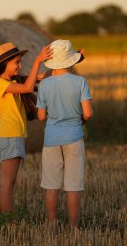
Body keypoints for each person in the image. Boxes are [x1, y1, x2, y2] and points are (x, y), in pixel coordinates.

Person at [0, 42, 52, 221]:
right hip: (9, 137)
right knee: (8, 184)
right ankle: (10, 223)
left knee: (5, 184)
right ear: (4, 64)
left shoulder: (12, 82)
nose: (19, 65)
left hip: (10, 136)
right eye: (16, 62)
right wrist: (37, 61)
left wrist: (67, 62)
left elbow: (38, 77)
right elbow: (27, 87)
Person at [36, 39, 93, 227]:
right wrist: (79, 120)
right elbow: (88, 113)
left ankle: (52, 225)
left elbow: (41, 116)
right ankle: (73, 228)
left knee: (51, 185)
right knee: (73, 186)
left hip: (51, 139)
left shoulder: (44, 84)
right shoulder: (80, 82)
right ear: (71, 60)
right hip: (74, 137)